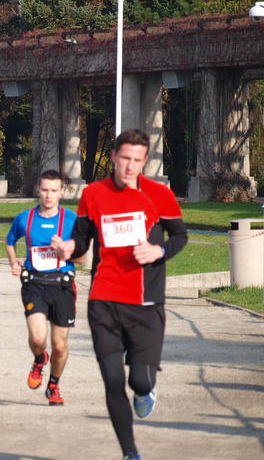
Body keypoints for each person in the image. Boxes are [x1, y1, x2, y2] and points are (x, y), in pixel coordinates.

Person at [53, 129, 188, 460]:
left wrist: (158, 251)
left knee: (139, 381)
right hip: (104, 300)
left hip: (145, 303)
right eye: (124, 158)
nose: (129, 166)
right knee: (113, 381)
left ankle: (146, 390)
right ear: (113, 156)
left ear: (145, 161)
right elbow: (81, 240)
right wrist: (69, 248)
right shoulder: (93, 194)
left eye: (137, 160)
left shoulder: (159, 195)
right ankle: (130, 453)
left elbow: (180, 236)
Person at [5, 169, 77, 406]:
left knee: (59, 345)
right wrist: (13, 262)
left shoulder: (71, 220)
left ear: (61, 192)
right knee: (38, 339)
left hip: (62, 286)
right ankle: (39, 359)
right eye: (45, 190)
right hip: (34, 284)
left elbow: (84, 256)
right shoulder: (25, 218)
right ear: (38, 189)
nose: (48, 195)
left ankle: (54, 385)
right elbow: (10, 241)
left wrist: (65, 250)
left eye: (54, 191)